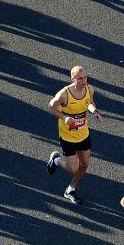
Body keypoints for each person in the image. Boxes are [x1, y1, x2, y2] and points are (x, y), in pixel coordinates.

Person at [46, 65, 101, 205]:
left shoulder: (90, 89)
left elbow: (90, 102)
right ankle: (56, 160)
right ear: (73, 79)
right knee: (73, 168)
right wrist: (64, 118)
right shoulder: (64, 94)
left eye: (85, 78)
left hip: (83, 134)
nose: (84, 81)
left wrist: (94, 111)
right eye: (80, 79)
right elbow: (51, 106)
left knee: (84, 164)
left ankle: (70, 189)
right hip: (67, 136)